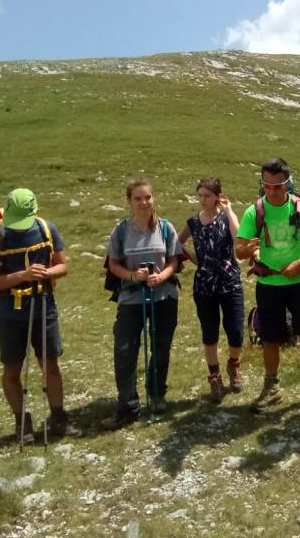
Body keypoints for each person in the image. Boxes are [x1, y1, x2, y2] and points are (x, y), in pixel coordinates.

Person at [0, 188, 77, 440]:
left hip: (44, 306)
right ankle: (22, 421)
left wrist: (46, 273)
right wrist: (23, 275)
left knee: (50, 365)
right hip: (11, 312)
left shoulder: (46, 229)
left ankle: (58, 417)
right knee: (12, 369)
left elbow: (63, 265)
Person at [235, 158, 300, 413]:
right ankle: (272, 386)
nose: (272, 191)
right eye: (267, 185)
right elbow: (240, 250)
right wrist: (246, 250)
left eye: (278, 186)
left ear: (288, 183)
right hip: (268, 283)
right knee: (269, 337)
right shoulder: (254, 212)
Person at [102, 178, 183, 430]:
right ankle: (128, 405)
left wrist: (162, 276)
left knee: (160, 347)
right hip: (131, 298)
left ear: (152, 198)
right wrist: (132, 276)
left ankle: (156, 394)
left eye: (147, 197)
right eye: (137, 198)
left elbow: (173, 260)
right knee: (125, 350)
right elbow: (113, 264)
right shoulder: (121, 230)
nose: (143, 202)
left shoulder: (166, 228)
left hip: (163, 296)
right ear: (129, 201)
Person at [179, 177, 245, 403]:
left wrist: (229, 211)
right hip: (204, 285)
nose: (203, 200)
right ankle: (214, 376)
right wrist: (191, 256)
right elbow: (177, 241)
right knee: (210, 333)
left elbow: (239, 239)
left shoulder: (226, 217)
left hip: (230, 282)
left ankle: (234, 364)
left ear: (218, 196)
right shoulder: (193, 222)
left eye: (207, 195)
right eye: (200, 195)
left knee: (235, 331)